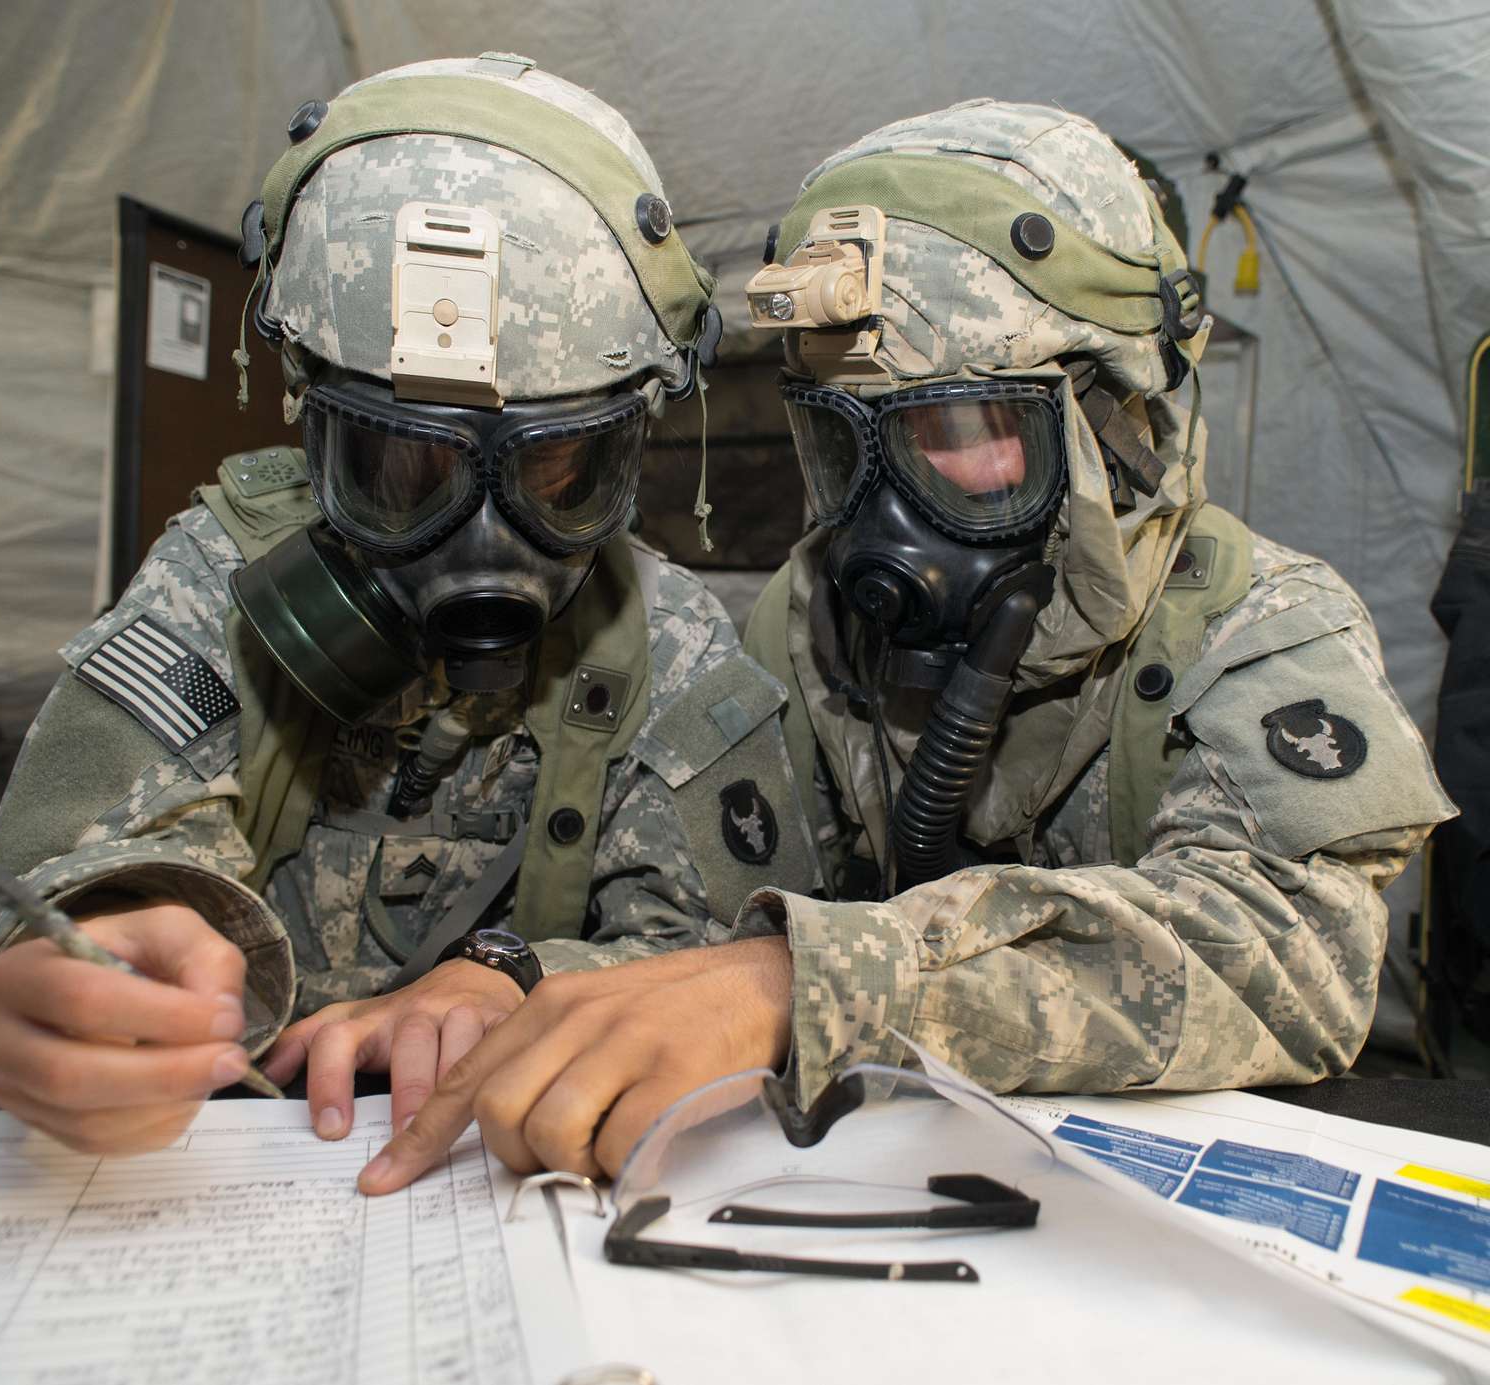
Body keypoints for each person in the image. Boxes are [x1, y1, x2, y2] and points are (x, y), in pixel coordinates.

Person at [354, 98, 1456, 1197]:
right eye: (848, 438)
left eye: (963, 434)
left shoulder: (1258, 624)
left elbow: (1290, 955)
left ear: (1120, 425)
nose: (888, 517)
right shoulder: (812, 623)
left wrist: (812, 981)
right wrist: (522, 976)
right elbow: (720, 942)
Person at [0, 55, 818, 1156]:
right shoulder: (222, 590)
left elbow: (737, 968)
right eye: (405, 465)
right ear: (309, 429)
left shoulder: (661, 643)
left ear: (629, 444)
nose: (485, 548)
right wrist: (95, 947)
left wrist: (519, 974)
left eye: (558, 470)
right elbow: (74, 864)